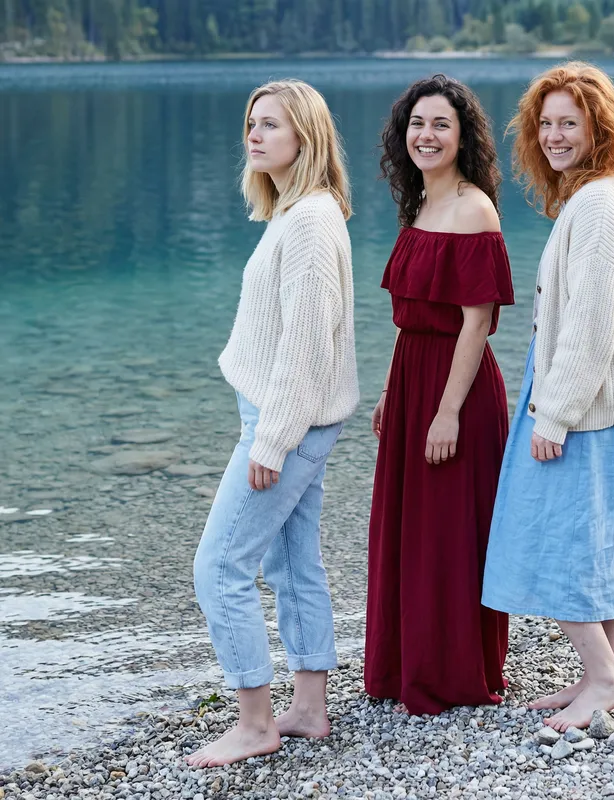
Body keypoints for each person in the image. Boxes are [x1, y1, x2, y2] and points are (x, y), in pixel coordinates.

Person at [187, 79, 359, 767]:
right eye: (251, 123)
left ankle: (254, 722)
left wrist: (273, 438)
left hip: (288, 419)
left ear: (306, 139)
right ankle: (309, 708)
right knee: (292, 563)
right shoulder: (295, 213)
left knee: (219, 565)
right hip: (289, 415)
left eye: (271, 126)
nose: (255, 136)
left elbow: (308, 344)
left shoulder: (313, 221)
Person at [482, 62, 614, 731]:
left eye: (568, 123)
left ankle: (607, 679)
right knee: (601, 545)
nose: (554, 136)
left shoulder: (600, 207)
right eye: (545, 123)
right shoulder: (602, 195)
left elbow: (588, 326)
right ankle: (600, 673)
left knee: (550, 541)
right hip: (609, 404)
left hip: (581, 407)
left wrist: (552, 415)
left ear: (597, 127)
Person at [365, 74, 514, 716]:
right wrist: (388, 395)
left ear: (463, 136)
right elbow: (414, 317)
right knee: (408, 529)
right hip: (412, 378)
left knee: (449, 535)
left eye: (441, 125)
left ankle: (452, 676)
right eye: (418, 124)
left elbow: (475, 321)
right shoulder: (419, 206)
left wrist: (446, 410)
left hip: (458, 386)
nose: (427, 135)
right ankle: (405, 667)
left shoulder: (475, 207)